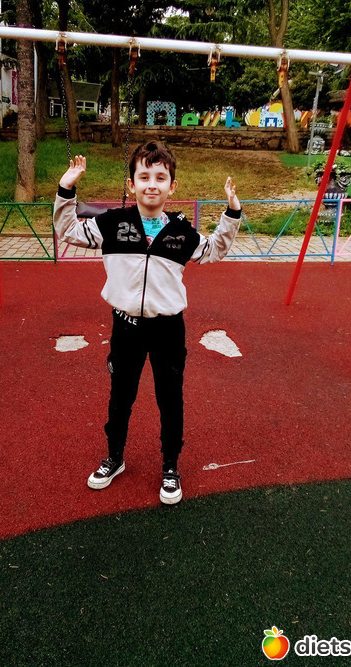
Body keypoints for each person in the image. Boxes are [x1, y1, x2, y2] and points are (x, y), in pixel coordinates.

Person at [54, 141, 241, 504]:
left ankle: (170, 466)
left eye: (160, 177)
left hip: (168, 329)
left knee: (170, 400)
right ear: (132, 184)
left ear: (172, 186)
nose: (151, 184)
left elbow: (215, 249)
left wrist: (232, 212)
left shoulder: (182, 233)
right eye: (144, 177)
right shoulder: (111, 224)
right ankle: (115, 457)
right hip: (126, 327)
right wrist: (66, 188)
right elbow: (69, 231)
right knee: (120, 397)